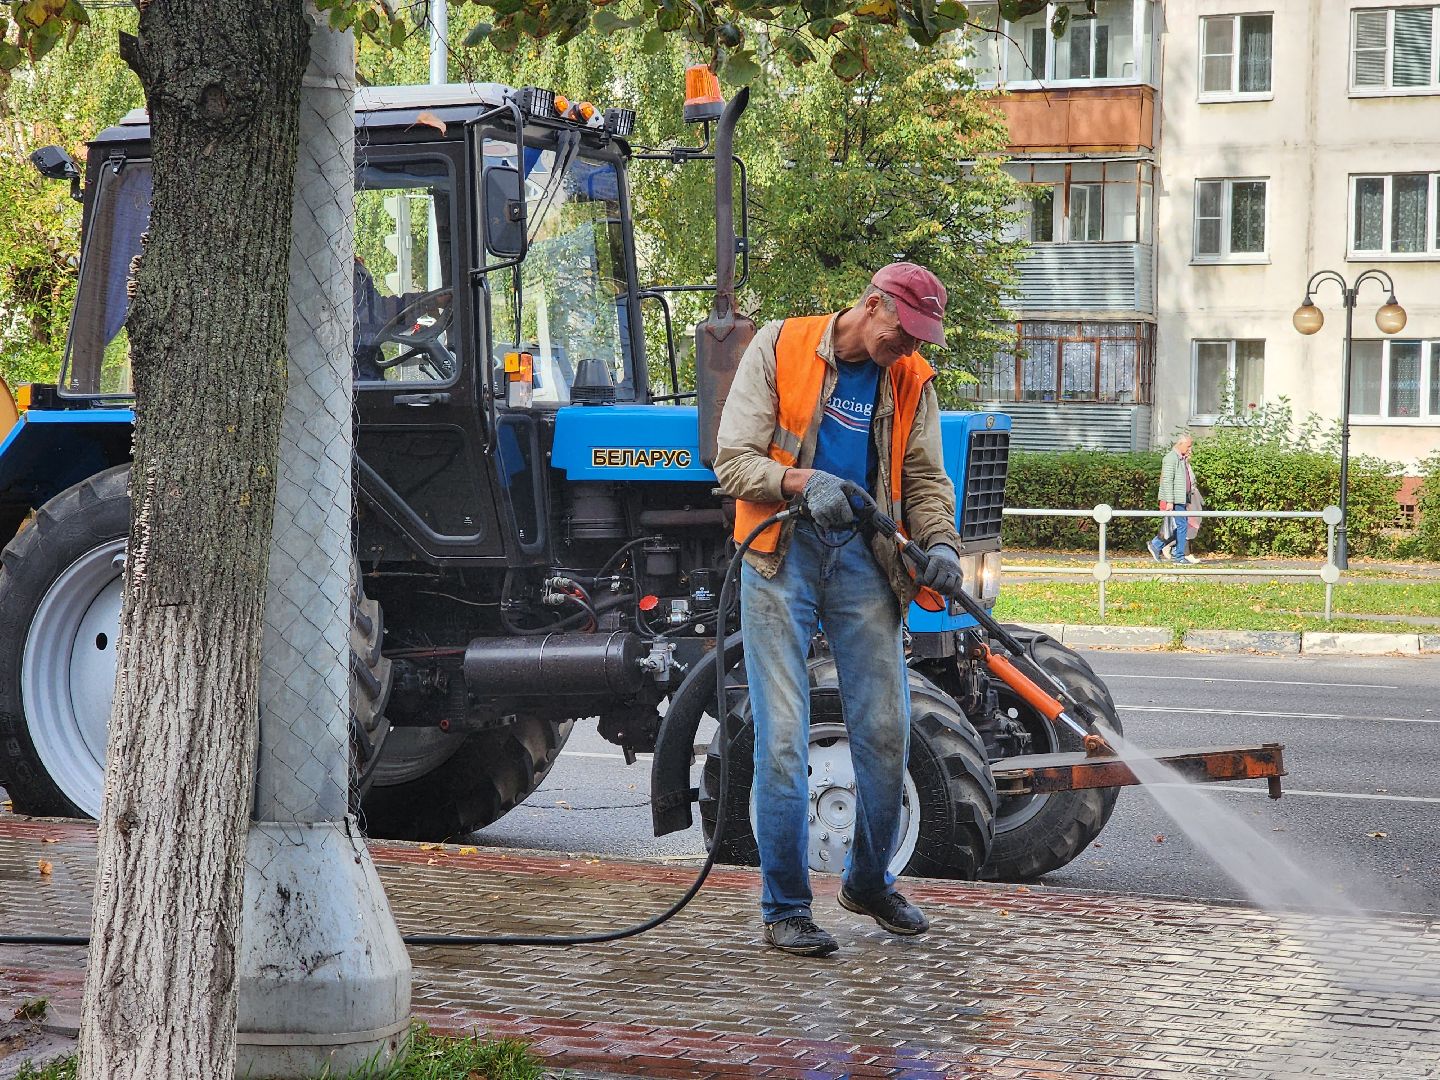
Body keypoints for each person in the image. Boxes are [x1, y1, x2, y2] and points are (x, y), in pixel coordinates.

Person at [713, 262, 964, 957]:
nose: (907, 347)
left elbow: (923, 479)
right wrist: (800, 480)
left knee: (885, 731)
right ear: (870, 304)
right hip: (781, 553)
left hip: (863, 559)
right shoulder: (781, 344)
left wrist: (940, 542)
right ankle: (787, 908)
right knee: (785, 738)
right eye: (902, 331)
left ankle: (868, 882)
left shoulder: (911, 379)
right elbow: (731, 461)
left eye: (919, 338)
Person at [1149, 434, 1200, 564]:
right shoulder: (1171, 458)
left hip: (1182, 498)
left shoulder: (1181, 458)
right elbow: (1167, 480)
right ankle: (1178, 555)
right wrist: (1170, 501)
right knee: (1181, 526)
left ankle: (1159, 546)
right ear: (1181, 444)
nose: (1190, 449)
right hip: (1176, 499)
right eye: (1188, 446)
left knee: (1179, 526)